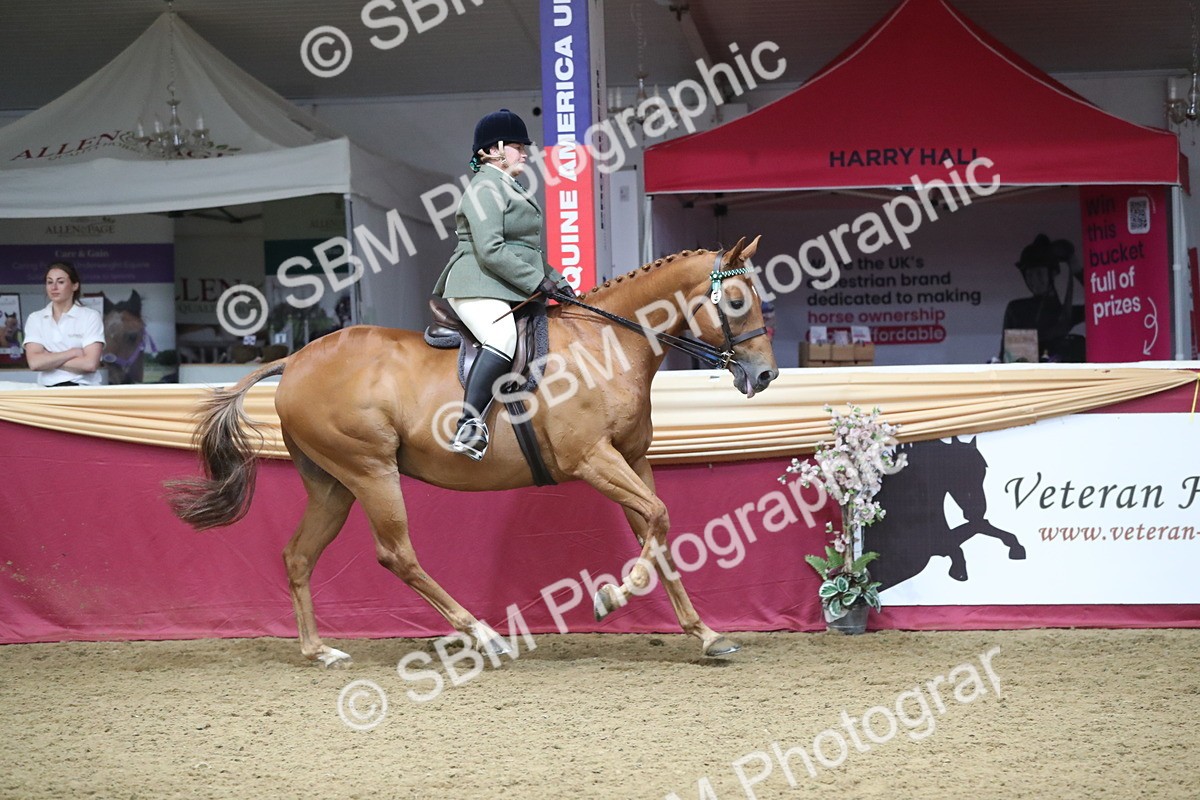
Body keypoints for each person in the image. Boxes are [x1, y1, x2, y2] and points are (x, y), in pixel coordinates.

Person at [432, 108, 575, 460]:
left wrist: (559, 282)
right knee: (502, 337)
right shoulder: (484, 187)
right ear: (493, 149)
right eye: (517, 146)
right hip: (476, 282)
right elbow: (491, 250)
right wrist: (536, 281)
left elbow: (527, 250)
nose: (525, 153)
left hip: (503, 283)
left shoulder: (510, 186)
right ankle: (468, 425)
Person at [1000, 234, 1085, 362]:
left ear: (1052, 274)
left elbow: (1100, 302)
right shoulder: (1017, 310)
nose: (1034, 280)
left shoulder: (1064, 313)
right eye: (1029, 274)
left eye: (1039, 273)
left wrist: (1076, 268)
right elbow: (1009, 359)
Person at [23, 261, 105, 386]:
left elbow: (90, 364)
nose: (53, 287)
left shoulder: (90, 316)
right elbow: (34, 363)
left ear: (75, 285)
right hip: (47, 390)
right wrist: (72, 353)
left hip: (83, 389)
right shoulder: (35, 318)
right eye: (49, 282)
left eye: (60, 282)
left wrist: (49, 358)